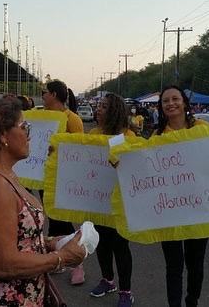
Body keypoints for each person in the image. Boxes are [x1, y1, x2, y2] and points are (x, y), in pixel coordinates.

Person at [0, 97, 86, 306]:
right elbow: (3, 264)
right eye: (24, 127)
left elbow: (15, 238)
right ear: (2, 135)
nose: (28, 135)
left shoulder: (5, 175)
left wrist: (49, 243)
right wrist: (61, 257)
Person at [155, 85, 209, 307]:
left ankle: (192, 301)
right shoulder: (158, 136)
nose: (171, 103)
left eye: (175, 99)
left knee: (196, 264)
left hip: (199, 207)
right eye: (165, 101)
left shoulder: (203, 128)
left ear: (184, 102)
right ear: (161, 107)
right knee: (173, 266)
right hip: (169, 209)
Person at [88, 93, 136, 306]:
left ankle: (126, 291)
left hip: (120, 204)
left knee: (120, 246)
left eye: (104, 106)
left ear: (114, 111)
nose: (99, 110)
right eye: (99, 106)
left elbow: (135, 170)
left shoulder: (129, 136)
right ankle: (108, 280)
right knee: (102, 244)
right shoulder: (94, 133)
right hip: (98, 201)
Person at [41, 79, 87, 285]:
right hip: (44, 177)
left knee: (64, 220)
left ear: (54, 95)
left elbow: (80, 149)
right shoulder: (42, 116)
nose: (42, 95)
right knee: (52, 219)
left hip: (64, 179)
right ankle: (59, 261)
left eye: (45, 92)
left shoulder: (72, 118)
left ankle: (78, 265)